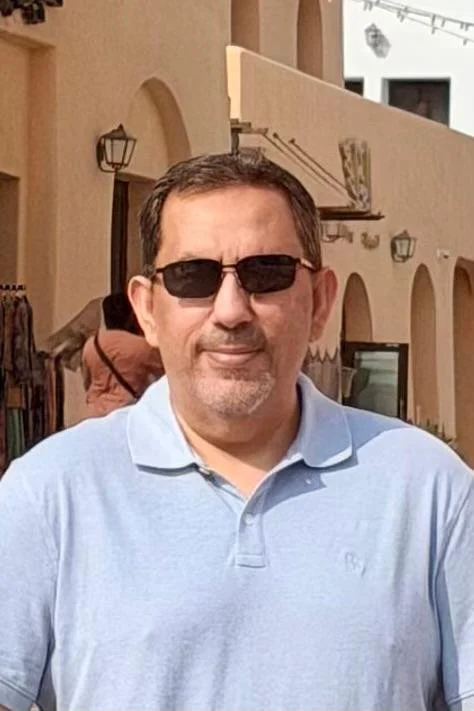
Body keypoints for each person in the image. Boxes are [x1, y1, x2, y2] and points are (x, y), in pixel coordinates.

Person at [0, 150, 473, 711]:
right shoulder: (50, 493)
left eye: (266, 273)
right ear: (147, 310)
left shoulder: (428, 489)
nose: (231, 311)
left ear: (320, 302)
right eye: (192, 277)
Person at [81, 328, 164, 417]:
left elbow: (87, 382)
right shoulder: (145, 350)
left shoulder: (91, 346)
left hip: (96, 409)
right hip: (124, 406)